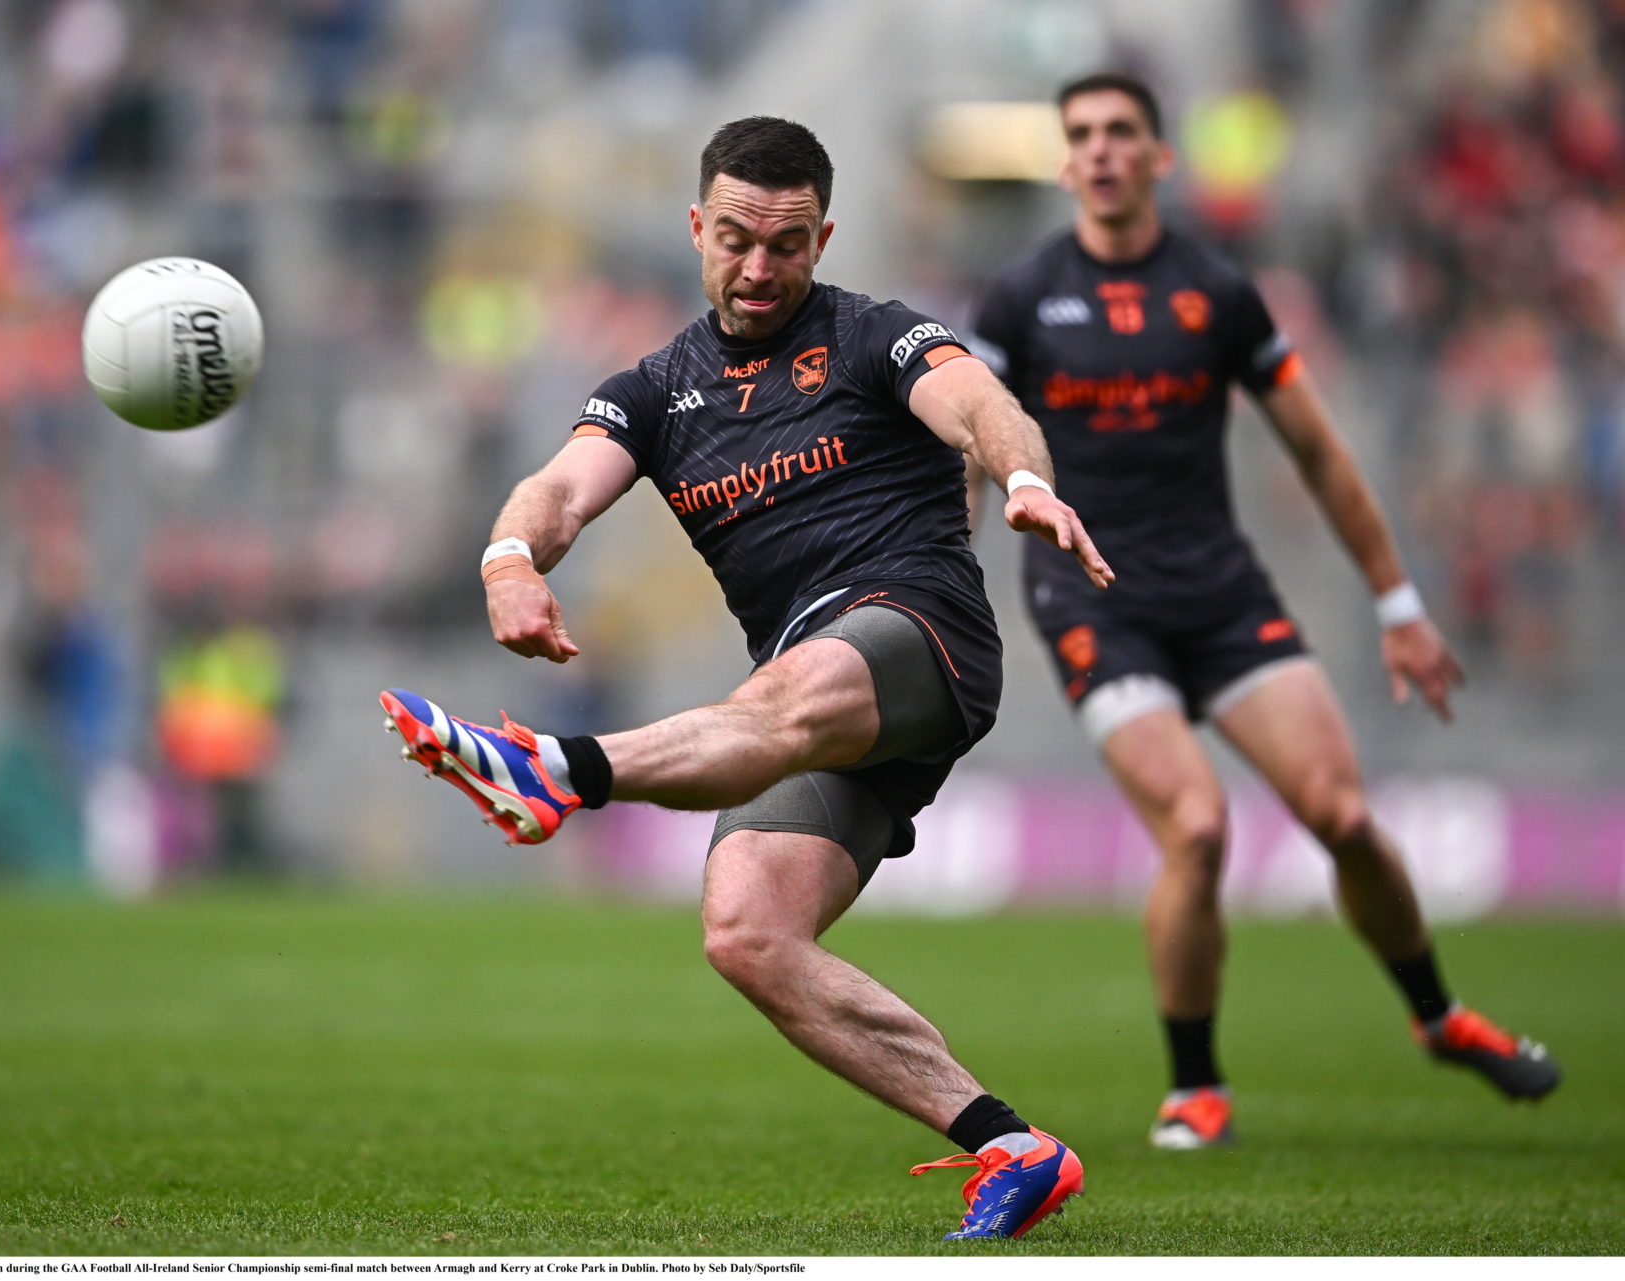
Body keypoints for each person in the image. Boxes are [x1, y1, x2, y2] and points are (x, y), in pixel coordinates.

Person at [380, 117, 1108, 1241]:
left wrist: (1020, 475)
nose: (759, 268)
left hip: (917, 632)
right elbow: (561, 490)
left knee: (776, 702)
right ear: (696, 230)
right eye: (735, 240)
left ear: (823, 238)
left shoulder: (877, 337)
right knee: (747, 932)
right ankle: (1013, 1145)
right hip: (806, 693)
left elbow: (978, 404)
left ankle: (553, 771)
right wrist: (510, 560)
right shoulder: (656, 389)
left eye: (787, 245)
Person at [968, 71, 1559, 1151]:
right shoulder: (1018, 299)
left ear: (1159, 158)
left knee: (1340, 814)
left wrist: (1399, 604)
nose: (1100, 151)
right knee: (1197, 828)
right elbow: (971, 448)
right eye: (1082, 136)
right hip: (1094, 598)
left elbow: (1321, 455)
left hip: (1222, 590)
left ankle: (1440, 1017)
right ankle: (1196, 1085)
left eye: (1121, 134)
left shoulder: (1217, 290)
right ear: (1064, 163)